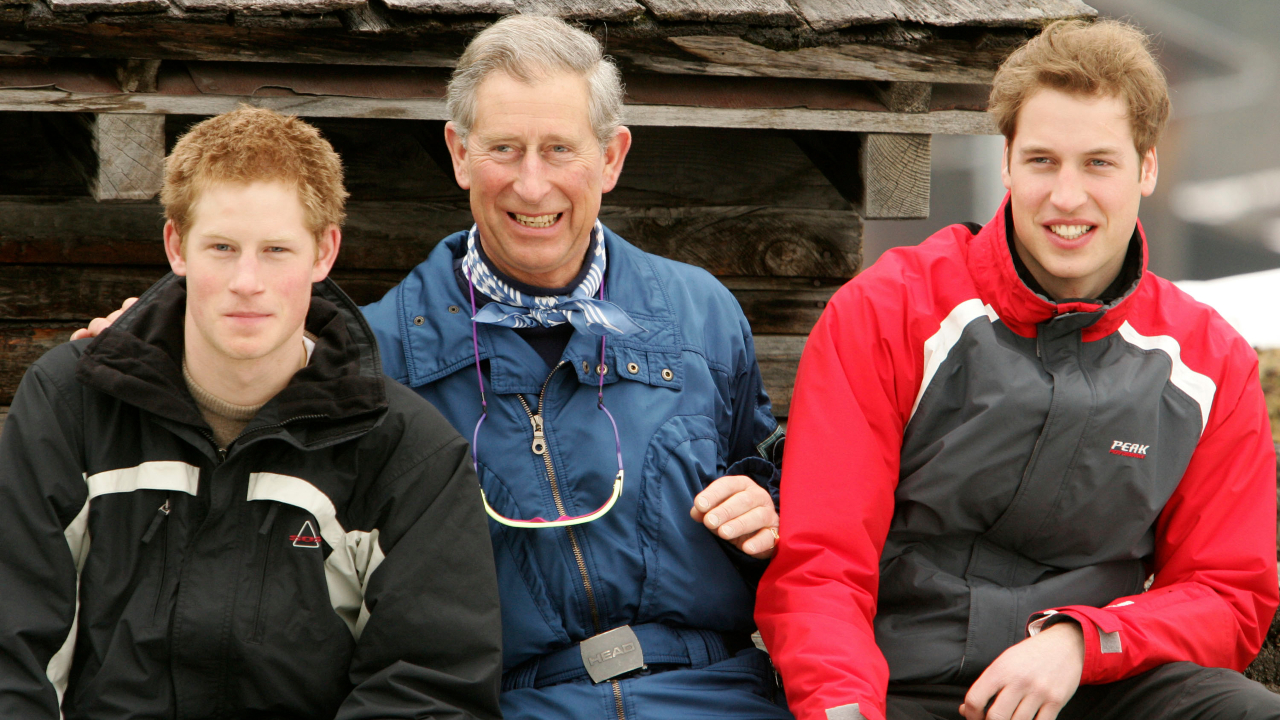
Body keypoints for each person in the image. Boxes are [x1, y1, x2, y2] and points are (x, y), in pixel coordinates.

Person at [74, 14, 789, 720]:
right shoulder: (374, 355)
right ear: (458, 152)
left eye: (559, 149)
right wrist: (155, 337)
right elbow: (238, 400)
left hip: (714, 691)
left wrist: (769, 507)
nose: (532, 186)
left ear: (611, 156)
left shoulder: (700, 312)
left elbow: (774, 480)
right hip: (506, 700)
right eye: (504, 148)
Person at [757, 19, 1280, 720]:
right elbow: (821, 566)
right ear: (1005, 161)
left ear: (1146, 167)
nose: (1067, 198)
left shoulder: (1210, 360)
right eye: (1042, 161)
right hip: (902, 684)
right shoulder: (892, 311)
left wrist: (1083, 643)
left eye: (1098, 163)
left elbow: (1228, 592)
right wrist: (845, 711)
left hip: (1096, 682)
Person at [0, 107, 503, 720]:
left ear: (324, 253)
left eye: (275, 250)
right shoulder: (69, 405)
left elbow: (431, 690)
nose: (247, 280)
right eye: (222, 247)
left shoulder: (407, 454)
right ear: (176, 245)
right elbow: (13, 656)